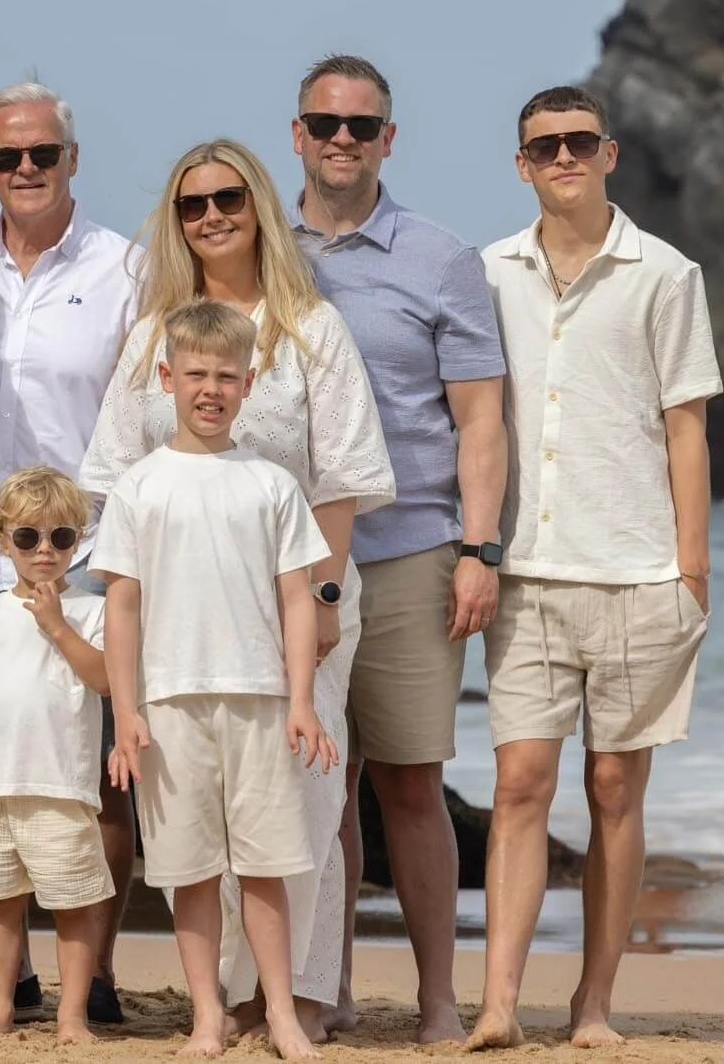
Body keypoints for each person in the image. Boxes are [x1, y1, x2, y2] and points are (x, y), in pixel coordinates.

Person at [80, 137, 393, 1040]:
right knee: (196, 823)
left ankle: (295, 996)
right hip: (179, 610)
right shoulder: (155, 336)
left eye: (227, 197)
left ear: (258, 203)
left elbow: (339, 477)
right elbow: (122, 477)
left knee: (302, 807)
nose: (211, 214)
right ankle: (220, 1003)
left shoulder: (310, 328)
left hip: (300, 598)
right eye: (191, 203)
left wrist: (325, 602)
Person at [468, 87, 719, 1052]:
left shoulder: (666, 273)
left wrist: (691, 570)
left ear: (609, 153)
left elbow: (685, 426)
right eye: (544, 146)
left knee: (616, 788)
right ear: (521, 163)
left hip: (638, 571)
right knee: (522, 783)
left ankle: (593, 1005)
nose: (563, 156)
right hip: (522, 572)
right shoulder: (488, 273)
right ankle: (498, 1005)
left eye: (579, 142)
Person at [287, 54, 507, 1044]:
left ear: (387, 139)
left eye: (360, 126)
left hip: (411, 546)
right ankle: (321, 990)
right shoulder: (257, 244)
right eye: (324, 124)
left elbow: (479, 420)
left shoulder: (439, 257)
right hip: (294, 558)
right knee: (315, 782)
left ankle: (436, 998)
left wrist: (478, 548)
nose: (342, 140)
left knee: (411, 783)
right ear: (296, 133)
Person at [0, 80, 138, 1024]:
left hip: (83, 551)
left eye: (41, 155)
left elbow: (145, 412)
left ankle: (94, 973)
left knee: (99, 778)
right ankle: (1, 972)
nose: (24, 170)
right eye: (6, 157)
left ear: (71, 159)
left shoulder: (126, 267)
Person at [95, 301, 340, 1062]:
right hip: (167, 705)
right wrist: (126, 712)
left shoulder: (272, 484)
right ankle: (207, 1013)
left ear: (249, 381)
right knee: (190, 869)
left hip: (262, 698)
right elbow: (122, 604)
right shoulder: (139, 486)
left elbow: (299, 597)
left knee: (265, 865)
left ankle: (280, 1012)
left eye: (226, 376)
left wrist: (302, 698)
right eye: (195, 374)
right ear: (166, 377)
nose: (211, 389)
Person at [0, 466, 112, 1045]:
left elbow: (107, 680)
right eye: (28, 537)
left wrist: (58, 627)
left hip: (62, 788)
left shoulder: (90, 610)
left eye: (61, 537)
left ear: (80, 540)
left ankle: (72, 1016)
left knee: (73, 905)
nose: (44, 550)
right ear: (0, 538)